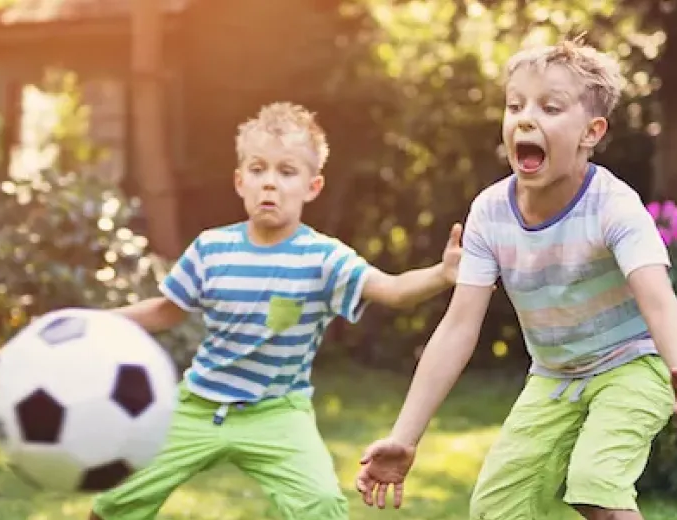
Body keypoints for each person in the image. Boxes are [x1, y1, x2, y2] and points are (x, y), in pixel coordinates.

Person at [351, 39, 677, 520]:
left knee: (596, 482)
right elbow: (458, 329)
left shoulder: (613, 206)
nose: (525, 118)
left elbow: (660, 303)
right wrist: (404, 436)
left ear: (591, 132)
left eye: (550, 107)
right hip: (555, 377)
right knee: (497, 508)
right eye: (515, 105)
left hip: (634, 366)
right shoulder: (490, 214)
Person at [89, 101, 464, 520]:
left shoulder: (323, 258)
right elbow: (166, 310)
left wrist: (441, 274)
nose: (270, 183)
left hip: (278, 412)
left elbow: (392, 290)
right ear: (239, 181)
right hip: (196, 407)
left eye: (286, 172)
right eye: (257, 169)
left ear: (311, 187)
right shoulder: (211, 249)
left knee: (321, 505)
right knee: (117, 500)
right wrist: (95, 322)